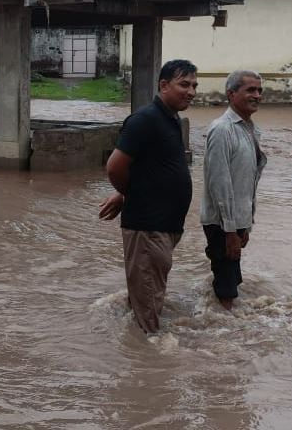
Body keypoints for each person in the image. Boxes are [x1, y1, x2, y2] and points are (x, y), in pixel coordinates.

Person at [98, 59, 198, 333]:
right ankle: (147, 363)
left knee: (148, 294)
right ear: (163, 85)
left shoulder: (171, 120)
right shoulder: (145, 120)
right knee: (148, 310)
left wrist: (125, 195)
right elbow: (115, 167)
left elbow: (150, 167)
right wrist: (127, 194)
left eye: (194, 85)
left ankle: (136, 341)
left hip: (164, 227)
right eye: (184, 84)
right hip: (147, 227)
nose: (190, 91)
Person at [200, 70, 266, 310]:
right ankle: (223, 338)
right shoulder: (222, 130)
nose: (257, 95)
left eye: (259, 90)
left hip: (236, 221)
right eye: (250, 90)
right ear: (231, 94)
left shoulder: (249, 129)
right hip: (221, 223)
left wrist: (246, 224)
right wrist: (230, 232)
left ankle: (224, 323)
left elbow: (248, 182)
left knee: (231, 280)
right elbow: (219, 183)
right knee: (227, 290)